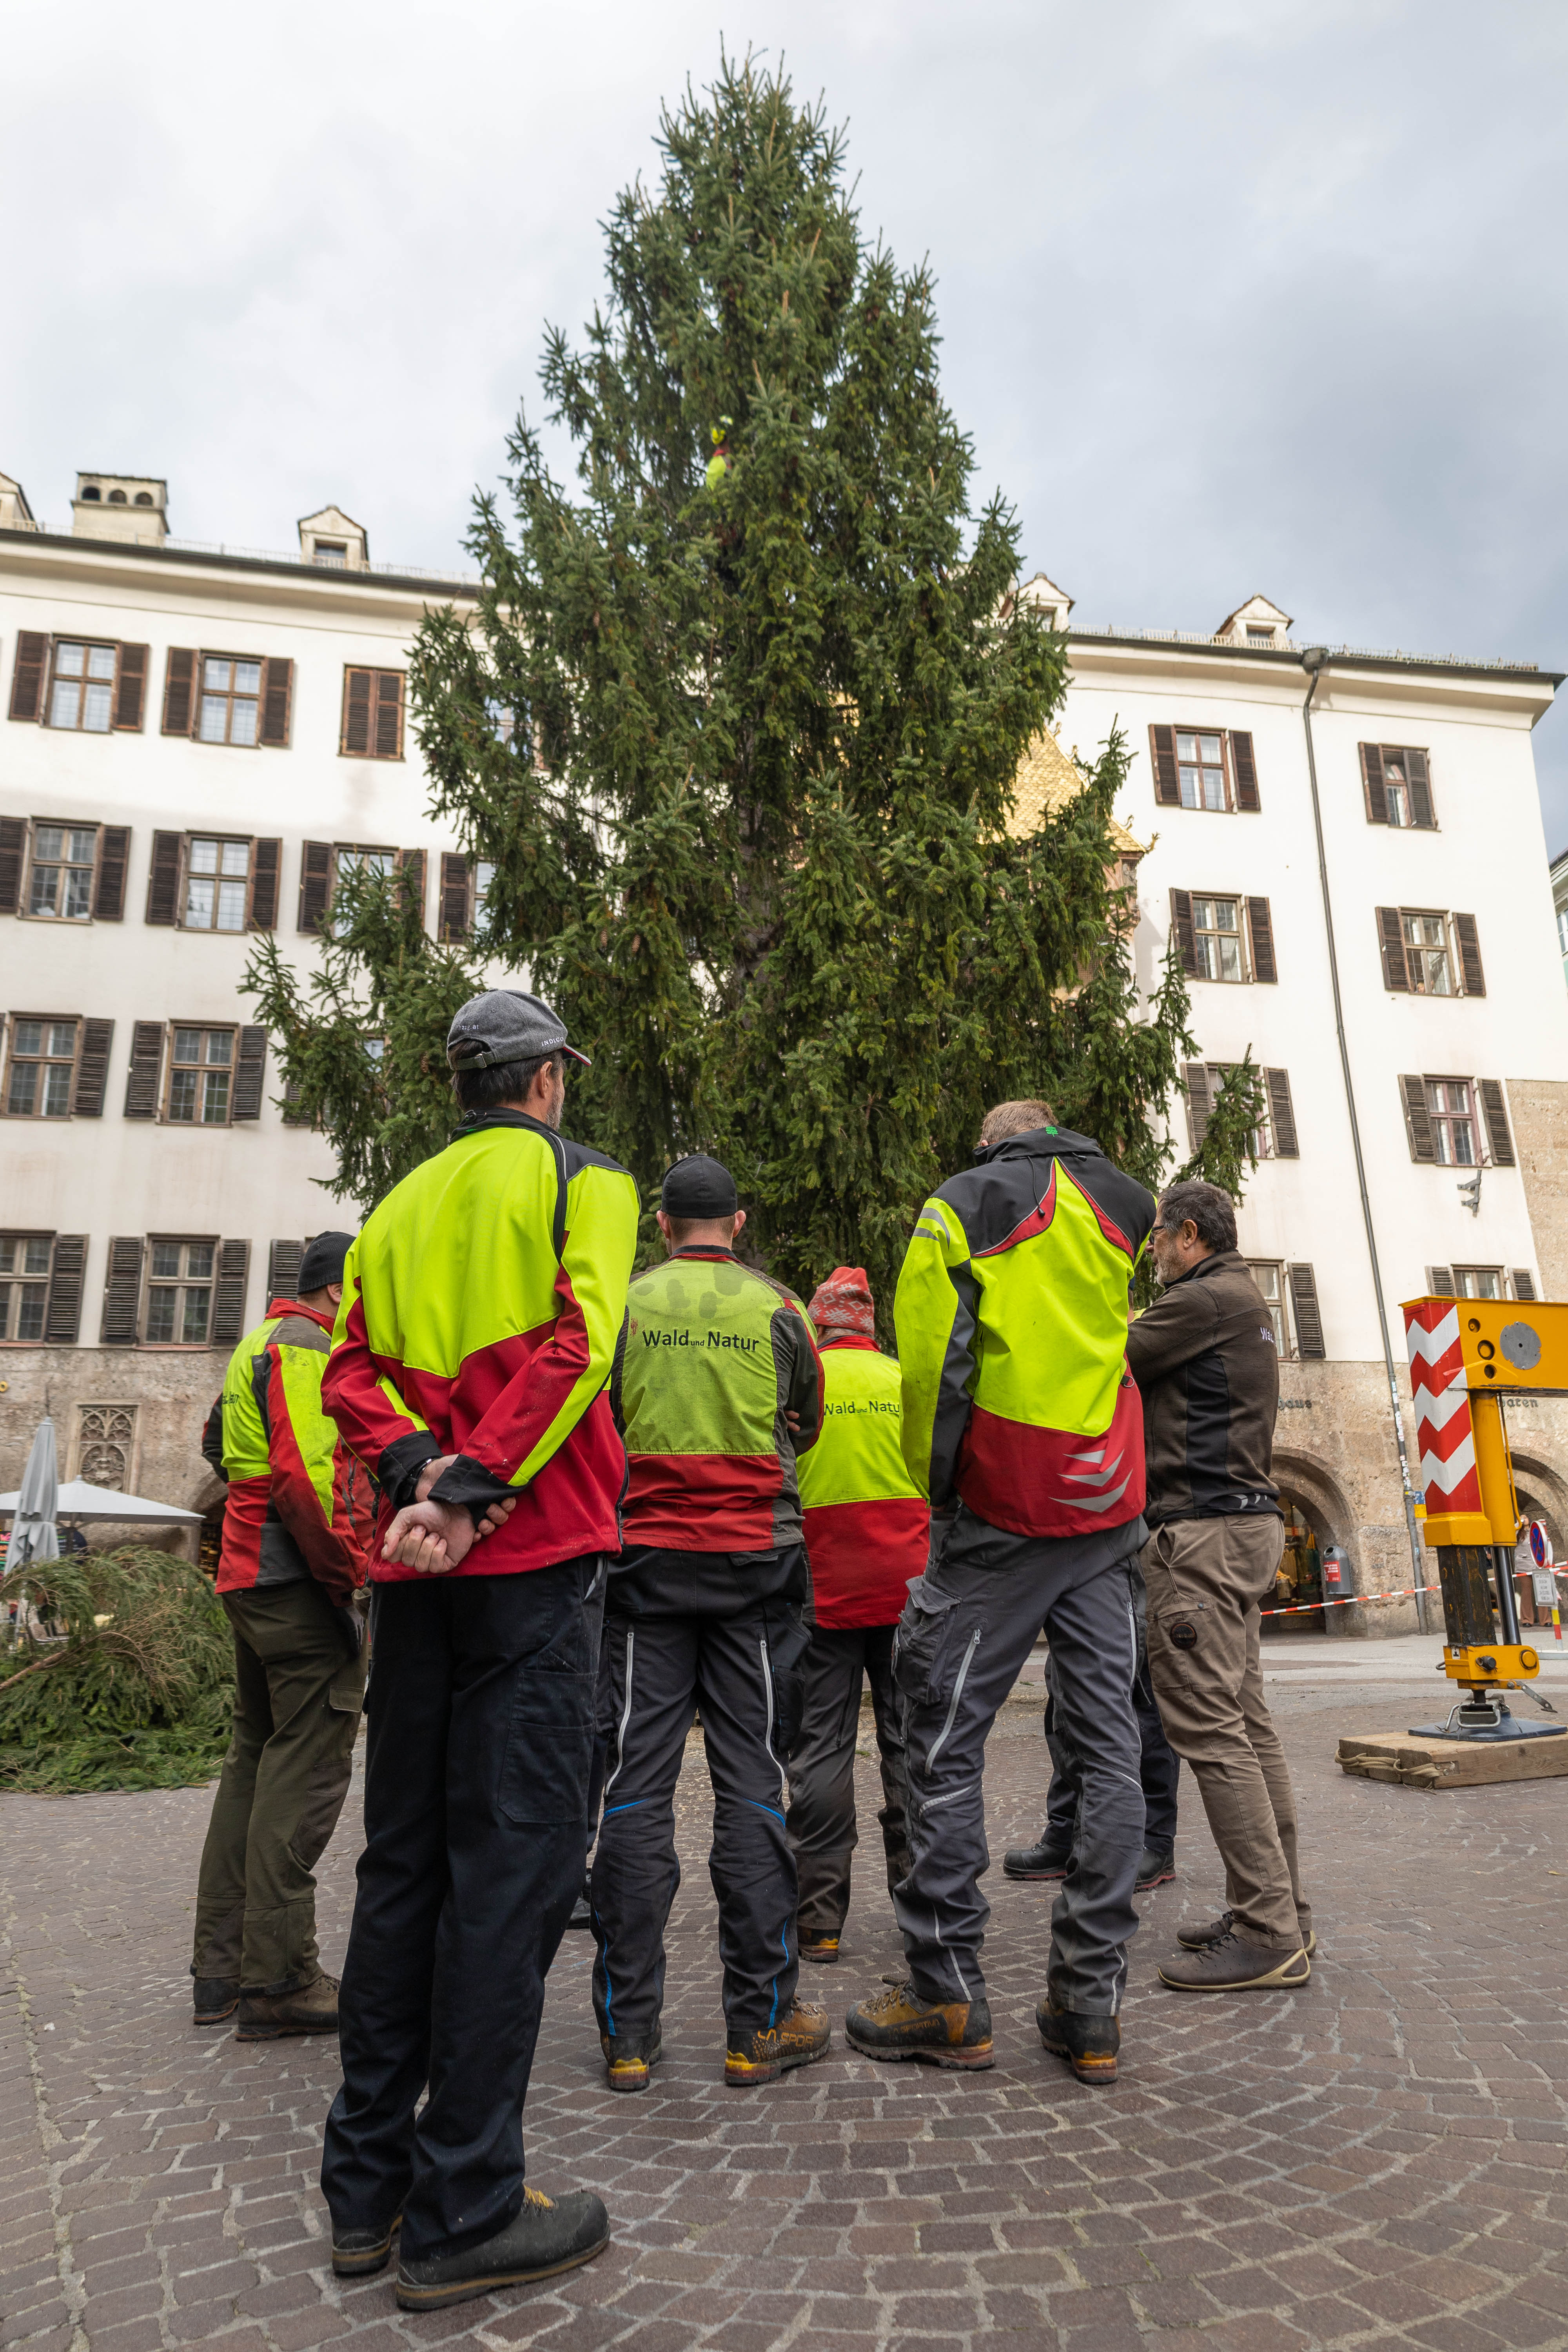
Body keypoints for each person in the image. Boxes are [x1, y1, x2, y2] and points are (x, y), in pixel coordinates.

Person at [318, 990, 639, 2313]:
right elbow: (584, 1342)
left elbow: (347, 1372)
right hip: (531, 1561)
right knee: (510, 1874)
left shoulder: (394, 1207)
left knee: (402, 1867)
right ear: (549, 1078)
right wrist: (473, 1482)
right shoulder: (584, 1181)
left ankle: (366, 2190)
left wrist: (417, 1474)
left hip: (417, 1568)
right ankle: (466, 2206)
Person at [843, 1099, 1155, 2086]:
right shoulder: (1126, 1204)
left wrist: (937, 1486)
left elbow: (934, 1364)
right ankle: (1089, 2003)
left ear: (989, 1146)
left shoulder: (962, 1204)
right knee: (1109, 1749)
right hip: (1103, 1503)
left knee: (939, 1742)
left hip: (1001, 1509)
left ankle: (947, 1993)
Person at [590, 1154, 829, 2092]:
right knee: (754, 1785)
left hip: (643, 1572)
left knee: (633, 1787)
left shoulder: (624, 1305)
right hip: (754, 1574)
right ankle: (756, 2029)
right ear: (737, 1223)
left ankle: (628, 2037)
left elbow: (598, 1417)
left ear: (660, 1224)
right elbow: (804, 1422)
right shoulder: (779, 1309)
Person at [1127, 1180, 1313, 1992]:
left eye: (1158, 1240)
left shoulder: (1202, 1299)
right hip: (1240, 1525)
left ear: (1188, 1235)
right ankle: (1281, 1913)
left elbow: (1107, 1358)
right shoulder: (1243, 1297)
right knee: (1245, 1723)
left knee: (1209, 1729)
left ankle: (1268, 1931)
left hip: (1201, 1534)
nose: (1153, 1255)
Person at [191, 1232, 372, 2040]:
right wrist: (351, 1576)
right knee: (304, 1773)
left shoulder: (259, 1339)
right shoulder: (306, 1344)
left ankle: (221, 1972)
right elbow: (309, 1479)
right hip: (296, 1584)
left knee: (253, 1763)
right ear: (339, 1291)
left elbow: (214, 1443)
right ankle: (280, 1978)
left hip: (248, 1575)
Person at [785, 1265, 926, 1964]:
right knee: (909, 1746)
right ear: (871, 1327)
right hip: (907, 1591)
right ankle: (921, 1909)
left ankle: (818, 1921)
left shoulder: (801, 1388)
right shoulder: (903, 1381)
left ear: (819, 1328)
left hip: (824, 1590)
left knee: (822, 1749)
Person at [1003, 1618, 1180, 1890]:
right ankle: (1068, 1834)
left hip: (1141, 1605)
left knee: (1146, 1707)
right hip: (1079, 1603)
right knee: (1070, 1706)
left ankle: (1155, 1841)